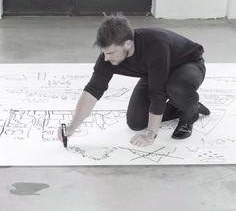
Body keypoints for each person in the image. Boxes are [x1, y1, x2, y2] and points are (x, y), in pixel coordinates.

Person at [58, 14, 210, 147]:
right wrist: (70, 129)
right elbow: (92, 91)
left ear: (128, 44)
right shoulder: (108, 57)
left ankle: (190, 113)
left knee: (175, 88)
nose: (106, 58)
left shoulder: (155, 45)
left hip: (187, 65)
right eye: (104, 53)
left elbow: (157, 94)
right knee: (136, 122)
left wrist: (151, 135)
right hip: (153, 71)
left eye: (110, 52)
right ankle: (182, 105)